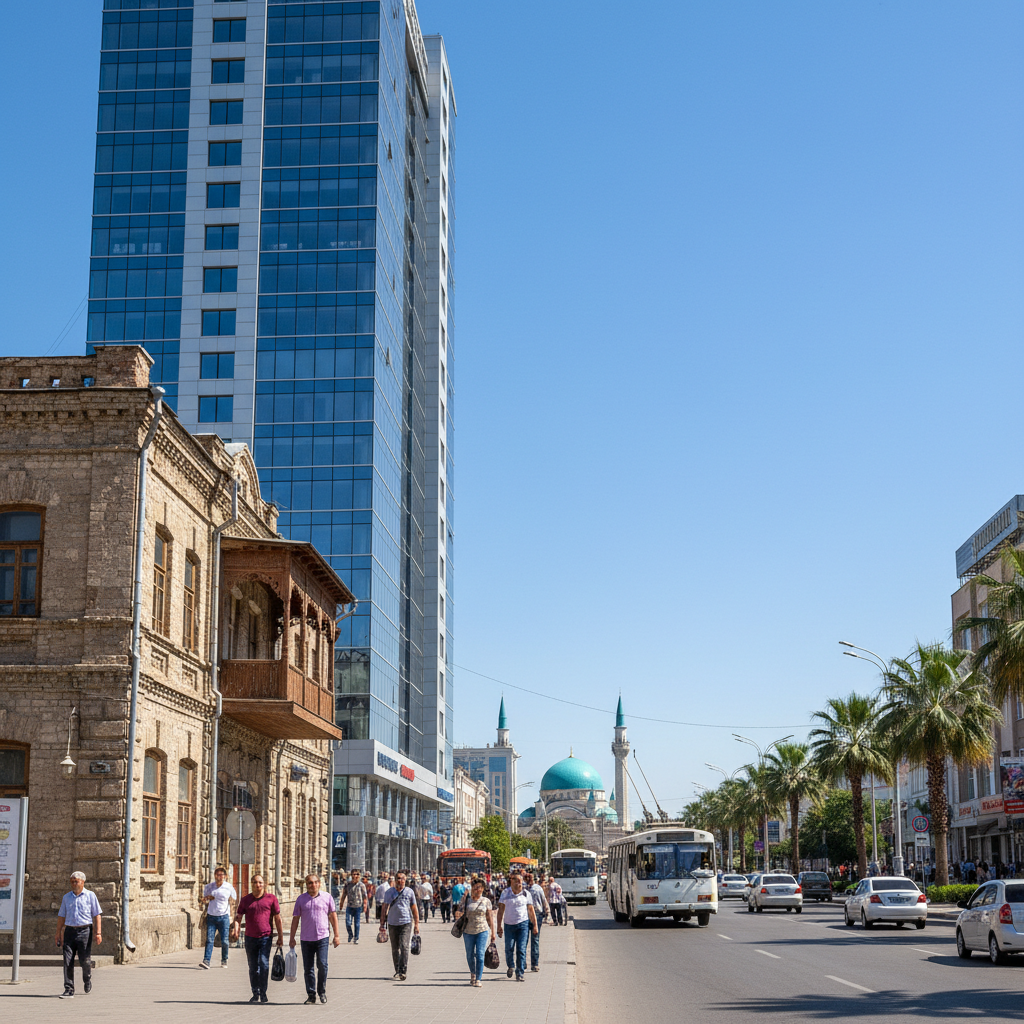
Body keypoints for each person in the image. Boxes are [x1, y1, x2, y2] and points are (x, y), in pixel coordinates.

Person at [289, 873, 341, 1005]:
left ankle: (321, 991)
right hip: (306, 938)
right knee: (308, 968)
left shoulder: (327, 897)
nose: (313, 885)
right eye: (310, 883)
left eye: (315, 882)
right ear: (306, 885)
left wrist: (336, 935)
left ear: (319, 883)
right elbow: (295, 919)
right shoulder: (301, 899)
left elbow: (333, 916)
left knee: (323, 965)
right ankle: (311, 994)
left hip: (322, 937)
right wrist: (292, 937)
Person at [231, 874, 283, 1004]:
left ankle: (263, 992)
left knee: (264, 964)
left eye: (259, 882)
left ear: (264, 884)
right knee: (253, 967)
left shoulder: (271, 899)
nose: (257, 885)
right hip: (250, 938)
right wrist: (236, 929)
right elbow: (238, 916)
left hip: (265, 937)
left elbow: (277, 918)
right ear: (251, 884)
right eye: (254, 882)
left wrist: (280, 937)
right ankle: (255, 992)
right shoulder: (246, 900)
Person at [56, 871, 102, 999]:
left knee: (85, 960)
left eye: (76, 881)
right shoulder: (66, 897)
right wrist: (58, 933)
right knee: (67, 960)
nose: (74, 884)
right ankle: (68, 988)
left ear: (83, 882)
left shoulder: (90, 896)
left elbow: (97, 915)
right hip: (69, 931)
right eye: (72, 881)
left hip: (85, 931)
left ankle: (87, 979)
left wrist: (98, 933)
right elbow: (61, 916)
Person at [379, 870, 420, 981]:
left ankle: (403, 971)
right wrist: (382, 924)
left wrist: (417, 924)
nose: (400, 881)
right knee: (395, 948)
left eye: (402, 878)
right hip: (392, 923)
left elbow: (414, 908)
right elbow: (384, 908)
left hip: (406, 923)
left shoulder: (409, 892)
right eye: (398, 878)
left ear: (405, 880)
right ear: (395, 880)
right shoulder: (389, 892)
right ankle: (397, 969)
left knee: (404, 946)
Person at [496, 872, 537, 982]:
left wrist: (535, 926)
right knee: (509, 948)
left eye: (520, 880)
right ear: (511, 881)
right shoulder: (505, 893)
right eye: (516, 880)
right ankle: (511, 966)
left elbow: (531, 911)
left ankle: (520, 973)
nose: (519, 882)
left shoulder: (526, 893)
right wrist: (499, 926)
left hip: (523, 925)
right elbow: (500, 911)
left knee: (521, 949)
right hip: (509, 925)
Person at [458, 876, 495, 987]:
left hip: (482, 930)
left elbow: (489, 917)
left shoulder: (486, 901)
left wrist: (493, 932)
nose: (476, 889)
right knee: (469, 955)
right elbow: (458, 912)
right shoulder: (466, 900)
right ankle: (473, 974)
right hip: (468, 931)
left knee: (480, 954)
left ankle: (478, 978)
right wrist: (458, 914)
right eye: (474, 887)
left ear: (483, 889)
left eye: (479, 887)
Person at [200, 865, 237, 969]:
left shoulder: (228, 887)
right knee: (209, 939)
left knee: (225, 941)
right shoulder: (209, 887)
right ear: (215, 875)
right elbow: (204, 899)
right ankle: (206, 961)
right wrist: (206, 899)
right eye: (218, 874)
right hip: (211, 916)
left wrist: (233, 917)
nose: (220, 876)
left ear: (225, 876)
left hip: (224, 917)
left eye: (222, 874)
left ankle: (224, 959)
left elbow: (233, 900)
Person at [524, 872, 550, 972]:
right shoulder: (537, 888)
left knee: (525, 940)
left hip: (527, 915)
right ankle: (534, 964)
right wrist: (547, 912)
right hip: (536, 914)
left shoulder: (524, 889)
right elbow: (544, 901)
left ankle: (524, 963)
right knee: (534, 940)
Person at [340, 868, 369, 944]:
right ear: (351, 875)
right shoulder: (347, 884)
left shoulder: (361, 885)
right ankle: (350, 934)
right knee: (348, 923)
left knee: (357, 924)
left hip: (358, 907)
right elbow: (344, 895)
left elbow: (365, 896)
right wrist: (341, 904)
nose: (355, 876)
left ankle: (356, 937)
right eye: (354, 874)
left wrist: (365, 906)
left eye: (357, 874)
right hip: (349, 907)